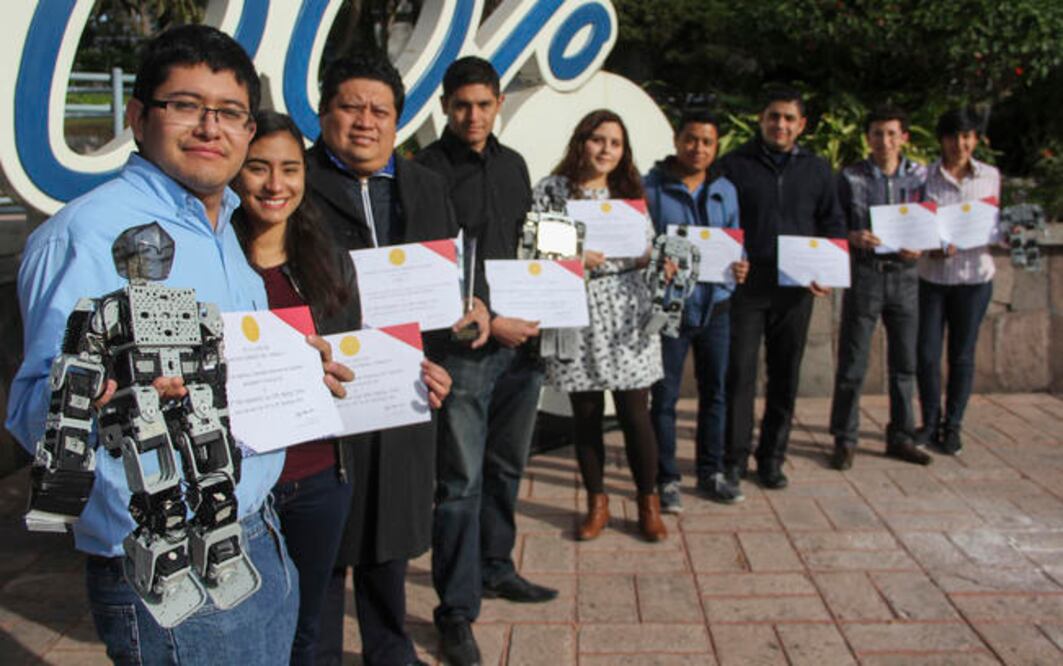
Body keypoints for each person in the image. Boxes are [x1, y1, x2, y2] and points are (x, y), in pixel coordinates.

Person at [5, 25, 349, 664]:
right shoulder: (86, 236)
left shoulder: (222, 233)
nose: (209, 127)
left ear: (249, 131)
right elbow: (36, 410)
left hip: (258, 532)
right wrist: (110, 407)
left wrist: (299, 369)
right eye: (185, 106)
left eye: (229, 113)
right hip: (172, 558)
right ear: (138, 117)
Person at [231, 110, 451, 665]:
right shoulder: (216, 263)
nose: (275, 184)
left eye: (288, 168)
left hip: (321, 478)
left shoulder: (326, 261)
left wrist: (416, 375)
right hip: (242, 486)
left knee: (308, 633)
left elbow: (364, 348)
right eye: (258, 168)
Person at [306, 51, 485, 666]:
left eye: (380, 110)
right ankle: (319, 652)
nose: (365, 121)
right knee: (325, 535)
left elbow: (444, 292)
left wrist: (463, 322)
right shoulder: (291, 185)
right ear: (324, 111)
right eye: (350, 106)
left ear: (398, 121)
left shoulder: (427, 188)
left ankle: (390, 648)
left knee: (393, 529)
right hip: (325, 386)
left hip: (406, 386)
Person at [415, 56, 555, 666]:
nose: (473, 115)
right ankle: (455, 611)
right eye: (461, 104)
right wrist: (491, 321)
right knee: (459, 485)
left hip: (522, 350)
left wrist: (552, 292)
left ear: (499, 103)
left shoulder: (515, 165)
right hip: (467, 352)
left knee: (505, 469)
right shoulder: (425, 173)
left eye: (483, 103)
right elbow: (427, 269)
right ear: (446, 106)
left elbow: (527, 246)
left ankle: (497, 565)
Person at [532, 109, 667, 543]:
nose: (605, 149)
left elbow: (647, 247)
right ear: (581, 141)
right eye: (598, 139)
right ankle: (597, 503)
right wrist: (575, 253)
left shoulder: (628, 190)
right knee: (586, 414)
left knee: (634, 412)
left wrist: (655, 262)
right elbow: (534, 240)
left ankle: (648, 502)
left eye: (615, 143)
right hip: (574, 304)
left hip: (627, 308)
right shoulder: (552, 190)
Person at [717, 86, 845, 490]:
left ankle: (771, 458)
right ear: (761, 118)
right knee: (739, 375)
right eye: (774, 116)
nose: (781, 125)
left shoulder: (818, 170)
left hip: (795, 289)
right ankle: (734, 458)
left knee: (785, 376)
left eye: (789, 118)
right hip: (746, 287)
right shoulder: (733, 166)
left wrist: (826, 270)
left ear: (802, 125)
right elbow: (718, 222)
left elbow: (833, 224)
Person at [643, 110, 749, 511]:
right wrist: (657, 261)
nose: (698, 148)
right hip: (673, 308)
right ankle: (666, 477)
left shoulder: (725, 189)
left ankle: (711, 471)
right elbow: (643, 243)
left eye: (706, 141)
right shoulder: (652, 188)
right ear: (676, 140)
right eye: (690, 139)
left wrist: (742, 263)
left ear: (716, 145)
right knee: (665, 396)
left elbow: (737, 241)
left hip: (717, 307)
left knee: (715, 394)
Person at [829, 105, 933, 471]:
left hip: (905, 275)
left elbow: (932, 224)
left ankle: (901, 436)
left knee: (905, 362)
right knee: (853, 360)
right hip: (866, 273)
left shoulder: (920, 177)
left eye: (891, 134)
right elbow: (832, 222)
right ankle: (845, 438)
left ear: (904, 137)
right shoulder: (850, 177)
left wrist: (920, 245)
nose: (884, 141)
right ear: (867, 137)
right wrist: (851, 235)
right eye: (877, 133)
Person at [916, 108, 1001, 455]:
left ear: (976, 140)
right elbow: (914, 224)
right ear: (942, 140)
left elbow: (997, 225)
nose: (959, 144)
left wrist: (1005, 233)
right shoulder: (924, 177)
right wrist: (929, 245)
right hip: (932, 277)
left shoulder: (991, 176)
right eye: (952, 136)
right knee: (926, 355)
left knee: (962, 356)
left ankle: (953, 426)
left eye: (966, 136)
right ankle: (930, 421)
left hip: (974, 279)